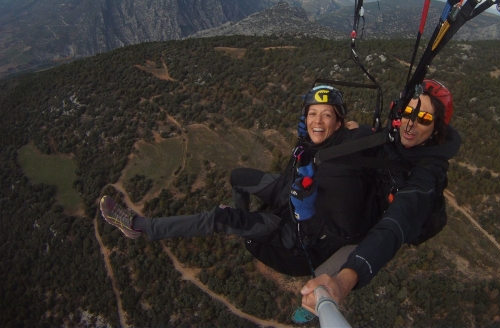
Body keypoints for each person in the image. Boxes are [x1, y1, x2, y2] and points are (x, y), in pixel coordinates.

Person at [100, 85, 385, 277]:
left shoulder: (340, 170)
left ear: (337, 122)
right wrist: (335, 130)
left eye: (326, 116)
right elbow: (355, 130)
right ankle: (245, 216)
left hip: (294, 233)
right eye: (312, 114)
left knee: (219, 218)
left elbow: (342, 223)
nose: (317, 121)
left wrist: (307, 209)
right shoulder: (337, 137)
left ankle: (140, 226)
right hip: (288, 191)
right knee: (238, 177)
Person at [300, 79, 461, 312]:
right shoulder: (398, 135)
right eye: (408, 112)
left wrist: (345, 281)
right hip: (375, 196)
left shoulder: (427, 174)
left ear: (436, 128)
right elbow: (383, 141)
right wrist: (352, 134)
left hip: (390, 219)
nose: (411, 123)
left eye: (424, 118)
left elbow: (397, 222)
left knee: (325, 273)